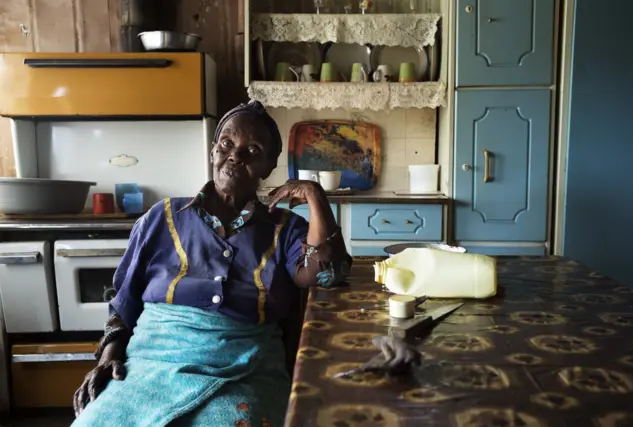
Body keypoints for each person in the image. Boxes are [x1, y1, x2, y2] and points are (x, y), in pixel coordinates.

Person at [72, 101, 416, 427]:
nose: (234, 156)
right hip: (149, 366)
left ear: (269, 167)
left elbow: (328, 273)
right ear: (212, 152)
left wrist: (314, 196)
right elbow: (124, 303)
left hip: (244, 371)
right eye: (226, 143)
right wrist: (107, 359)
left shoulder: (284, 227)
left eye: (252, 151)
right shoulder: (160, 218)